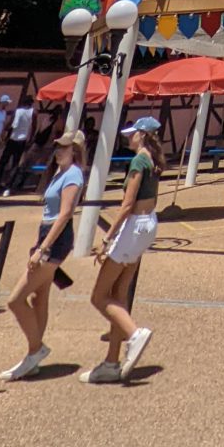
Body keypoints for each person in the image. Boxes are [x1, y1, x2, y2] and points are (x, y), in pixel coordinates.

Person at [0, 128, 86, 380]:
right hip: (47, 233)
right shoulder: (60, 173)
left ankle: (37, 349)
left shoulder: (73, 175)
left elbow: (66, 213)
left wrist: (42, 248)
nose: (58, 150)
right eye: (57, 146)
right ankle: (32, 354)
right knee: (40, 297)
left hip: (55, 240)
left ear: (75, 151)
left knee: (16, 299)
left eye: (64, 147)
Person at [81, 116, 161, 384]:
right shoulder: (154, 161)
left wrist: (107, 238)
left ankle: (134, 333)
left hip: (134, 225)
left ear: (142, 134)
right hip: (148, 224)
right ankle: (111, 361)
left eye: (132, 134)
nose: (129, 137)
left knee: (99, 295)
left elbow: (127, 205)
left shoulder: (139, 161)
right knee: (119, 294)